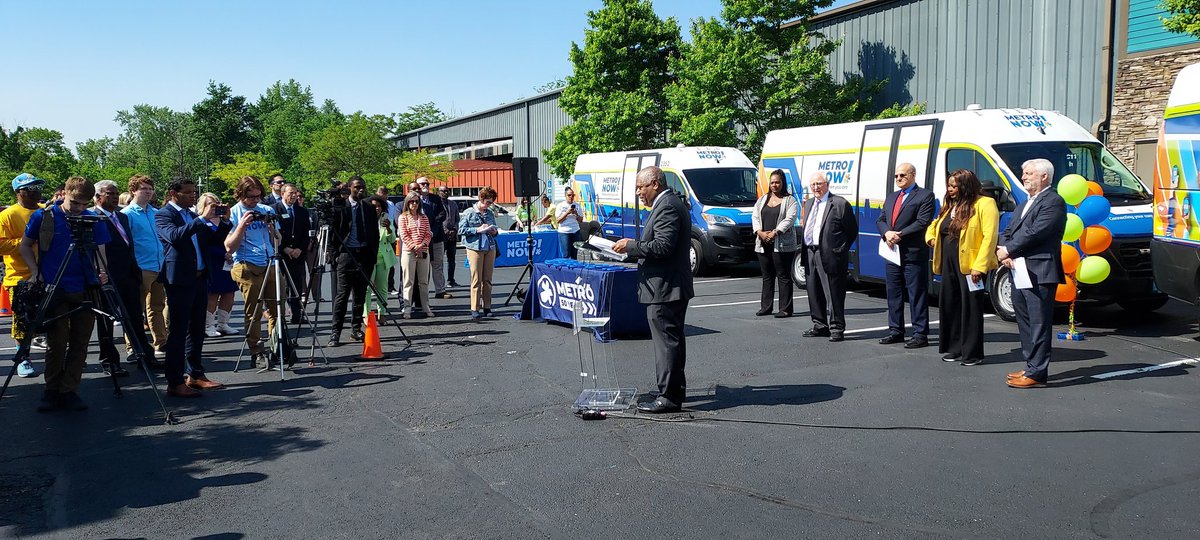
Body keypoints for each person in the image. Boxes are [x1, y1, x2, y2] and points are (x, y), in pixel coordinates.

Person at [19, 176, 111, 412]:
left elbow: (100, 250)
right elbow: (25, 245)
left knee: (80, 343)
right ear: (64, 194)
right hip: (55, 287)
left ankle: (69, 389)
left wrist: (103, 272)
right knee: (57, 342)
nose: (79, 209)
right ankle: (51, 390)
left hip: (86, 287)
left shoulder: (93, 219)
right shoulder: (44, 216)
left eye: (84, 204)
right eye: (75, 203)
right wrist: (34, 271)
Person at [612, 166, 694, 414]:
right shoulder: (667, 203)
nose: (638, 192)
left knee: (667, 343)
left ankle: (669, 397)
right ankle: (672, 389)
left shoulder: (667, 206)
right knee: (671, 341)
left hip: (666, 287)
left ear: (655, 184)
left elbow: (662, 246)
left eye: (641, 187)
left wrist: (632, 246)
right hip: (667, 285)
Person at [157, 177, 232, 397]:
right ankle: (174, 381)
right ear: (174, 193)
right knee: (179, 331)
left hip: (200, 278)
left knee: (197, 330)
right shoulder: (164, 215)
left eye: (193, 192)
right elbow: (174, 237)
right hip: (179, 280)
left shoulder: (190, 215)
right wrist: (201, 219)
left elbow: (212, 238)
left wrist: (224, 221)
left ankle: (196, 374)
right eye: (188, 192)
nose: (193, 196)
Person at [997, 158, 1067, 388]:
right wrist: (1005, 251)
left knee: (1039, 322)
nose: (1024, 177)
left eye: (1028, 173)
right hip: (1020, 270)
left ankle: (1038, 373)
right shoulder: (1025, 203)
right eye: (1024, 173)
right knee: (1024, 319)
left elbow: (1038, 233)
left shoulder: (1053, 201)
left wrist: (1008, 249)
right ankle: (1031, 365)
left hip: (1040, 271)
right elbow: (1009, 230)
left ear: (1044, 176)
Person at [925, 169, 999, 367]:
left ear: (966, 185)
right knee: (950, 303)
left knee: (971, 308)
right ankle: (954, 348)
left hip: (971, 265)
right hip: (949, 261)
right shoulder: (951, 205)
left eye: (954, 186)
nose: (950, 189)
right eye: (949, 186)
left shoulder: (985, 203)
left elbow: (989, 237)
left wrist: (979, 266)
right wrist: (931, 238)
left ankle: (972, 353)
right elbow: (935, 225)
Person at [92, 180, 156, 376]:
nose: (113, 196)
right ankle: (109, 361)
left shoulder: (121, 216)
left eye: (115, 193)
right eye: (109, 193)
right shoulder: (92, 217)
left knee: (135, 317)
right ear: (97, 197)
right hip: (107, 276)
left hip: (129, 274)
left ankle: (144, 355)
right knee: (106, 321)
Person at [876, 162, 936, 348]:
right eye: (896, 176)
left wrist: (898, 234)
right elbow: (882, 219)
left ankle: (920, 333)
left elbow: (922, 222)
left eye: (902, 175)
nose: (898, 179)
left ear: (912, 175)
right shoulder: (892, 196)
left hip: (912, 253)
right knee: (893, 293)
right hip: (892, 252)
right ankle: (896, 330)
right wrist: (886, 233)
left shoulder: (925, 195)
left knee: (916, 293)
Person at [225, 176, 280, 363]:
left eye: (258, 196)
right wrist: (242, 225)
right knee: (254, 312)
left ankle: (277, 345)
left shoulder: (266, 210)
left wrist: (271, 225)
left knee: (277, 309)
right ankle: (256, 350)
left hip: (270, 263)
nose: (255, 201)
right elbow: (229, 247)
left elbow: (279, 239)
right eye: (251, 197)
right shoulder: (233, 213)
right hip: (247, 265)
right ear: (240, 194)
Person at [801, 172, 858, 342]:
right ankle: (820, 325)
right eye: (813, 185)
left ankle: (837, 328)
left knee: (833, 293)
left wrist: (840, 249)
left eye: (819, 184)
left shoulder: (839, 203)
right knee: (813, 291)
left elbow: (852, 230)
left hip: (830, 255)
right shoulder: (810, 203)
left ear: (827, 184)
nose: (816, 188)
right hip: (810, 252)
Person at [1, 173, 45, 379]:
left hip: (48, 273)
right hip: (19, 276)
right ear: (19, 192)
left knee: (52, 317)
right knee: (22, 320)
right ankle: (23, 357)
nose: (36, 191)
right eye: (30, 188)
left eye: (37, 186)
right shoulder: (8, 215)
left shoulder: (47, 211)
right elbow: (1, 244)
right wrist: (27, 240)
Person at [122, 174, 169, 359]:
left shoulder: (156, 213)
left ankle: (161, 342)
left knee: (157, 306)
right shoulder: (126, 214)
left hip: (159, 265)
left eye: (150, 189)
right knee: (135, 310)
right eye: (144, 189)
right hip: (141, 267)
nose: (149, 192)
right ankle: (133, 347)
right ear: (133, 191)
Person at [329, 176, 379, 346]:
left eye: (363, 187)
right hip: (346, 255)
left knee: (359, 295)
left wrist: (372, 256)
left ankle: (356, 329)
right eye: (357, 187)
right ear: (349, 188)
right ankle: (335, 332)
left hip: (364, 255)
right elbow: (332, 232)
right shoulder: (342, 207)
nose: (361, 190)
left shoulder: (369, 208)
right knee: (342, 296)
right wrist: (334, 255)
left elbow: (374, 234)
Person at [752, 169, 799, 318]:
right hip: (763, 243)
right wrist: (759, 232)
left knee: (783, 276)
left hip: (782, 245)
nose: (774, 185)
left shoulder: (790, 200)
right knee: (767, 276)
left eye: (777, 182)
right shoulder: (763, 199)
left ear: (782, 183)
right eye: (772, 182)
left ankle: (785, 309)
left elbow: (789, 219)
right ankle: (766, 307)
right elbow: (755, 217)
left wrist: (775, 232)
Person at [197, 193, 238, 337]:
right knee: (212, 294)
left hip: (224, 260)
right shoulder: (200, 222)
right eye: (211, 204)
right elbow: (205, 243)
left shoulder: (223, 222)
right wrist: (223, 254)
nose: (215, 207)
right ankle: (208, 325)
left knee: (229, 292)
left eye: (217, 203)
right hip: (211, 260)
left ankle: (223, 323)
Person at [272, 183, 312, 324]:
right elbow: (273, 233)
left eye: (295, 193)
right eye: (291, 193)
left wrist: (299, 249)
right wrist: (284, 248)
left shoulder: (302, 211)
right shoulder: (274, 210)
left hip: (297, 254)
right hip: (281, 253)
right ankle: (278, 315)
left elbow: (306, 233)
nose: (294, 196)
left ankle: (296, 313)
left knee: (296, 284)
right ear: (282, 194)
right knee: (279, 285)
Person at [458, 186, 499, 319]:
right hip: (474, 247)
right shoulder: (469, 212)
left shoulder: (490, 213)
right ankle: (474, 308)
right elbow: (461, 230)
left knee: (487, 279)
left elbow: (495, 229)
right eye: (487, 202)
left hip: (489, 247)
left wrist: (494, 231)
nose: (488, 205)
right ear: (481, 199)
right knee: (476, 278)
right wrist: (477, 229)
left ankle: (487, 307)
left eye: (490, 203)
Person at [398, 193, 435, 319]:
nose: (414, 204)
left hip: (424, 251)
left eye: (417, 201)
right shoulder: (403, 217)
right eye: (412, 201)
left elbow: (429, 234)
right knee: (408, 281)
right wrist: (414, 247)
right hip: (409, 252)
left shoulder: (424, 217)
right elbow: (404, 234)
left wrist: (421, 245)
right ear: (407, 203)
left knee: (424, 281)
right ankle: (407, 308)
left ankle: (426, 306)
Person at [415, 177, 452, 299]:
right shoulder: (413, 200)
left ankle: (440, 290)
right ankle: (421, 294)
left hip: (436, 237)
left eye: (427, 183)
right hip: (419, 240)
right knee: (421, 267)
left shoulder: (436, 199)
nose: (425, 185)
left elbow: (442, 214)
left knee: (437, 264)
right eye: (422, 183)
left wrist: (431, 229)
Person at [365, 195, 397, 316]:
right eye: (374, 206)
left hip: (383, 259)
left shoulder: (386, 219)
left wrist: (388, 228)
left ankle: (382, 313)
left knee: (382, 288)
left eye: (379, 206)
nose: (377, 208)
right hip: (369, 258)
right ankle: (366, 314)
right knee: (367, 288)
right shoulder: (365, 219)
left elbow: (392, 239)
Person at [439, 185, 461, 288]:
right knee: (439, 261)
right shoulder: (437, 204)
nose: (445, 193)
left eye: (447, 191)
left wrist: (455, 229)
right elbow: (437, 220)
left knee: (451, 260)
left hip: (453, 236)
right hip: (442, 236)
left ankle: (451, 280)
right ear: (439, 192)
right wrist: (446, 231)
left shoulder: (453, 204)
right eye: (443, 191)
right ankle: (440, 282)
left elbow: (457, 218)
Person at [556, 187, 582, 259]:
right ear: (565, 196)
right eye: (569, 195)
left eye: (573, 195)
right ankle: (565, 270)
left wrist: (576, 214)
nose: (571, 197)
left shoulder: (577, 205)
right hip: (564, 232)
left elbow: (581, 220)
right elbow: (558, 221)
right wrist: (567, 213)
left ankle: (574, 270)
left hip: (575, 231)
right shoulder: (560, 206)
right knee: (566, 254)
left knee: (574, 255)